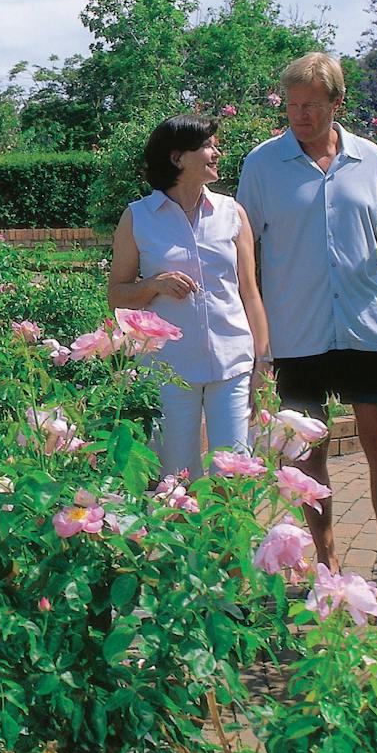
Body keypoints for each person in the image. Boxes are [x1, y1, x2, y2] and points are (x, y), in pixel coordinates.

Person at [236, 52, 377, 617]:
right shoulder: (262, 166)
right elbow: (242, 247)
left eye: (311, 106)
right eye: (292, 105)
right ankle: (327, 566)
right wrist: (254, 333)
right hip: (296, 332)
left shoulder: (369, 160)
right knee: (308, 459)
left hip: (368, 326)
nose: (299, 115)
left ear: (336, 104)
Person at [110, 113, 271, 481]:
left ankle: (231, 541)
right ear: (177, 158)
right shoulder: (138, 217)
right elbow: (116, 297)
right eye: (208, 146)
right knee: (176, 480)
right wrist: (154, 284)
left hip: (233, 363)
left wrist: (264, 363)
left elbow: (250, 292)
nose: (217, 153)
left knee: (234, 473)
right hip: (169, 369)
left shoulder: (232, 213)